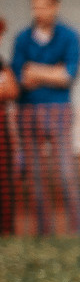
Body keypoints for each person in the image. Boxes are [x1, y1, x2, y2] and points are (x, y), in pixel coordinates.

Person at [11, 0, 80, 236]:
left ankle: (78, 232)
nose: (38, 12)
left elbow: (68, 75)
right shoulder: (22, 38)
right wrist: (51, 72)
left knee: (66, 173)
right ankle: (45, 233)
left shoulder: (70, 36)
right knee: (35, 178)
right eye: (34, 7)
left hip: (59, 112)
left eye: (43, 6)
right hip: (27, 113)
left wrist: (36, 71)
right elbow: (19, 75)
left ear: (56, 6)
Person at [0, 16, 19, 235]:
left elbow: (12, 90)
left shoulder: (2, 63)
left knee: (5, 180)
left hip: (2, 131)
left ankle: (5, 230)